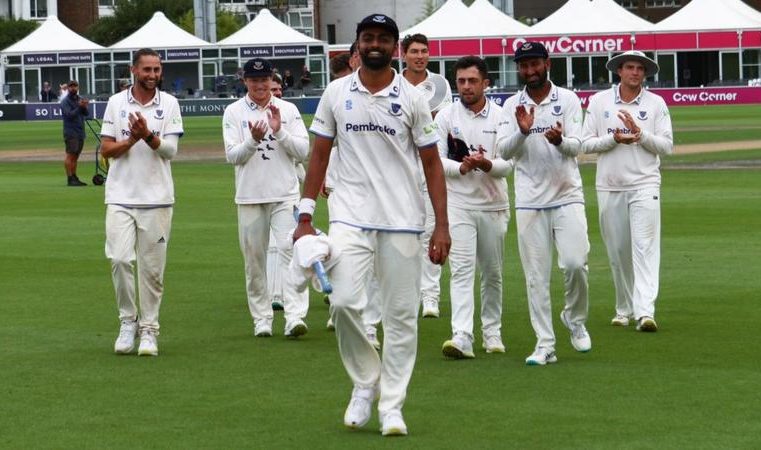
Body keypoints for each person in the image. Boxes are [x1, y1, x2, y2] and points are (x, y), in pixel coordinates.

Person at [293, 13, 450, 436]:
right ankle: (365, 383)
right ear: (357, 44)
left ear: (395, 47)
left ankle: (393, 406)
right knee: (343, 303)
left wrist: (441, 226)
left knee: (401, 318)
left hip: (402, 220)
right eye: (368, 38)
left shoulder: (414, 98)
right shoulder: (336, 92)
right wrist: (305, 214)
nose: (375, 44)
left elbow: (433, 165)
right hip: (350, 216)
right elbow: (319, 156)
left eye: (383, 38)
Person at [496, 42, 591, 366]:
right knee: (536, 276)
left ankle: (574, 319)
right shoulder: (512, 104)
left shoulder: (567, 99)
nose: (529, 71)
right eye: (523, 66)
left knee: (576, 263)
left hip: (566, 194)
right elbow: (504, 152)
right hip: (529, 200)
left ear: (547, 63)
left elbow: (577, 146)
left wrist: (559, 141)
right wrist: (523, 132)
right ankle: (544, 343)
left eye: (534, 63)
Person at [99, 48, 184, 356]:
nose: (152, 75)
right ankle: (127, 321)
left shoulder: (170, 103)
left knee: (152, 270)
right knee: (120, 260)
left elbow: (170, 151)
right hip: (120, 196)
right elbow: (106, 150)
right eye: (147, 69)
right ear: (134, 70)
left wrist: (147, 135)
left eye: (157, 70)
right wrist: (133, 139)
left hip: (158, 199)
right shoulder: (116, 103)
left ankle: (149, 330)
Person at [581, 50, 673, 332]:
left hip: (645, 183)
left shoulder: (656, 103)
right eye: (630, 68)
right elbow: (585, 144)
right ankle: (624, 307)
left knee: (644, 248)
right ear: (619, 71)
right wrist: (614, 139)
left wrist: (641, 134)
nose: (635, 73)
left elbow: (667, 146)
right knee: (618, 250)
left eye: (640, 69)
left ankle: (645, 312)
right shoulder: (599, 102)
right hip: (610, 185)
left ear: (645, 74)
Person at [222, 57, 310, 338]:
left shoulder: (288, 109)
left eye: (264, 80)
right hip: (249, 196)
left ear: (272, 80)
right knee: (255, 260)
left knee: (290, 252)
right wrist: (253, 140)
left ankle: (294, 315)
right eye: (254, 80)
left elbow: (303, 151)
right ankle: (262, 317)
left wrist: (279, 130)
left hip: (285, 194)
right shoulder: (234, 112)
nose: (260, 85)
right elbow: (232, 156)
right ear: (245, 81)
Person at [436, 56, 512, 359]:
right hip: (459, 204)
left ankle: (492, 332)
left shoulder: (502, 116)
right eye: (461, 81)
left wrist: (486, 163)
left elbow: (509, 163)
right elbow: (435, 160)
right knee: (462, 270)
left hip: (493, 205)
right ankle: (462, 335)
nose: (466, 87)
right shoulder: (445, 116)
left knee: (492, 273)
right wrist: (461, 168)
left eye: (472, 81)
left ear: (486, 83)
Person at [401, 33, 453, 319]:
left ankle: (430, 296)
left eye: (424, 51)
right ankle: (407, 292)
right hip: (400, 167)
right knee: (404, 233)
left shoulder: (441, 85)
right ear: (404, 54)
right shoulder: (394, 84)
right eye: (414, 51)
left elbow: (440, 124)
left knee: (431, 229)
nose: (420, 56)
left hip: (429, 165)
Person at [61, 79, 90, 187]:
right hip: (71, 132)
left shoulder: (80, 99)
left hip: (80, 131)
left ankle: (74, 176)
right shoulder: (65, 101)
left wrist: (84, 106)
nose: (73, 88)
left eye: (75, 86)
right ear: (68, 88)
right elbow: (69, 115)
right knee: (70, 155)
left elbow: (86, 113)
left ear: (78, 87)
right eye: (71, 86)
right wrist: (79, 107)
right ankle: (70, 178)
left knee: (76, 156)